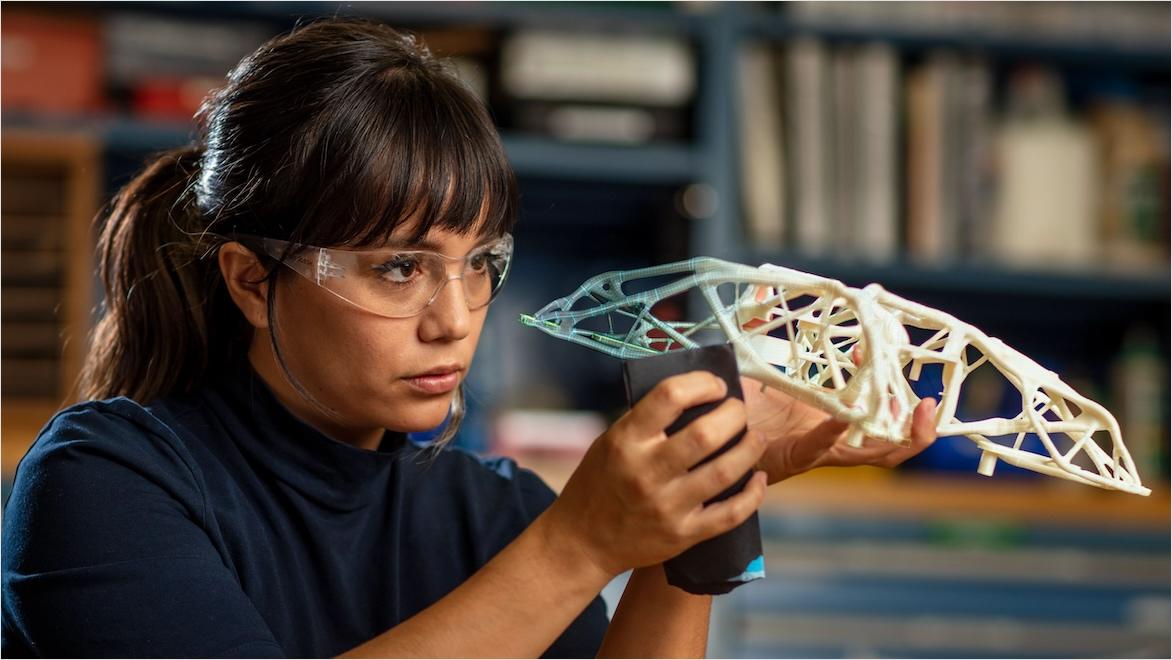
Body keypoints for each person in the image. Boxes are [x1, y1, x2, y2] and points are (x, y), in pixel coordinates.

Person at [0, 18, 938, 658]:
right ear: (252, 280)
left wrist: (714, 496)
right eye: (400, 268)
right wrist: (577, 547)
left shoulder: (491, 513)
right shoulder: (102, 481)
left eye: (479, 260)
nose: (455, 318)